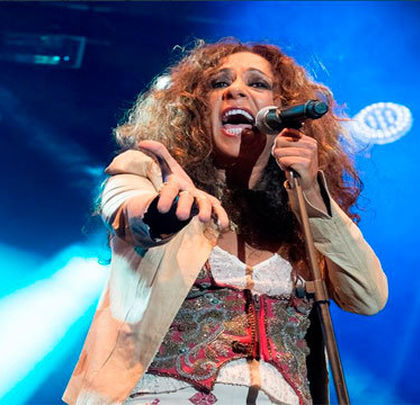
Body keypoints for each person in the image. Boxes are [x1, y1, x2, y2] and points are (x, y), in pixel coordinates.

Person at [63, 39, 388, 405]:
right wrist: (161, 214)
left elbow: (368, 297)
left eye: (258, 83)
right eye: (219, 83)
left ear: (282, 113)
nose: (236, 90)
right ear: (197, 111)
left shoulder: (303, 213)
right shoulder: (151, 174)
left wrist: (312, 192)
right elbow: (126, 210)